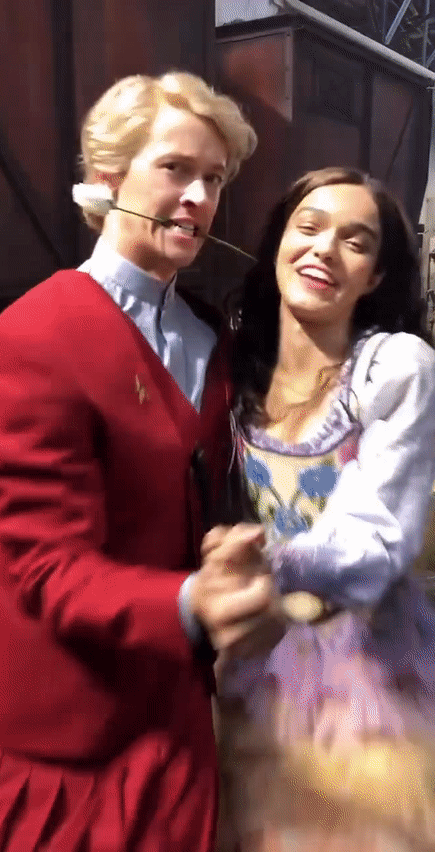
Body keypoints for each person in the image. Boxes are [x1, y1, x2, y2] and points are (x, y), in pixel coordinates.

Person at [0, 70, 271, 852]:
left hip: (171, 710)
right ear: (108, 178)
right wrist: (194, 602)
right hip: (62, 733)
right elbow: (45, 566)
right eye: (175, 169)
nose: (198, 197)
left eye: (214, 179)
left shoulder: (210, 335)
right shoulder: (26, 341)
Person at [208, 167, 435, 852]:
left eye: (355, 241)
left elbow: (376, 540)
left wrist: (259, 565)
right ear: (278, 242)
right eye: (307, 227)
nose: (325, 249)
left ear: (375, 276)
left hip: (368, 673)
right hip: (254, 666)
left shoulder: (394, 367)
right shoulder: (235, 368)